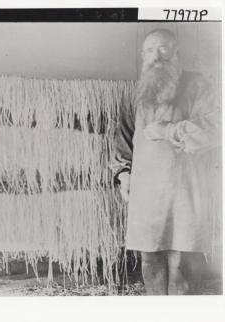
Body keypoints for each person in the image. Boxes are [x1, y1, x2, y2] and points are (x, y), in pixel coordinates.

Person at [111, 29, 221, 295]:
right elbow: (124, 139)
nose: (156, 56)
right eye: (149, 50)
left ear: (176, 53)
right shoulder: (135, 92)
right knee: (150, 260)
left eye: (162, 49)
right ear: (142, 56)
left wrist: (169, 130)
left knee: (182, 262)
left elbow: (216, 128)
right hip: (146, 191)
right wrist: (123, 173)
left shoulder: (197, 85)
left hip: (185, 188)